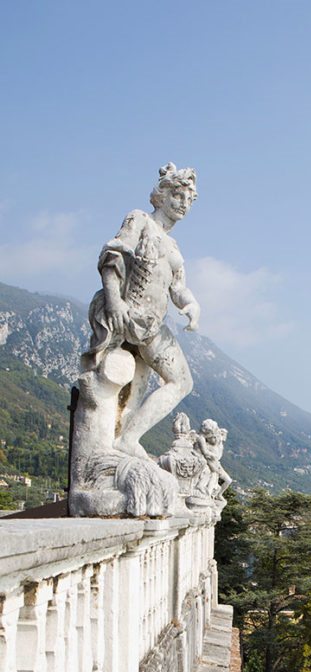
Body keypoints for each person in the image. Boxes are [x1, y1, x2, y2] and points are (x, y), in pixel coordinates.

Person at [85, 162, 200, 456]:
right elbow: (113, 256)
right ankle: (126, 440)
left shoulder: (174, 248)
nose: (183, 203)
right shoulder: (139, 220)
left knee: (172, 383)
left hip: (152, 325)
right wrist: (114, 300)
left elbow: (177, 288)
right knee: (175, 382)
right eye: (177, 195)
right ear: (161, 196)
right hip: (130, 314)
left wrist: (191, 304)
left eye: (189, 199)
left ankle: (127, 438)